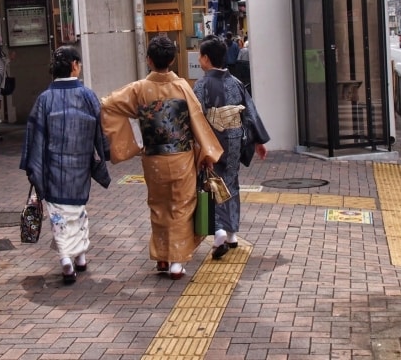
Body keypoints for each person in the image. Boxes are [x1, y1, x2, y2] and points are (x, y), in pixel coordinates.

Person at [101, 35, 223, 280]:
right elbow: (196, 119)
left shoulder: (139, 89)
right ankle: (176, 262)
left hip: (153, 157)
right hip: (181, 156)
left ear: (149, 60)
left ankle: (162, 257)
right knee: (181, 206)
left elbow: (108, 104)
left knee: (158, 206)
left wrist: (131, 144)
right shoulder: (181, 87)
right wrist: (208, 151)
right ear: (173, 60)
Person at [19, 46, 111, 285]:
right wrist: (106, 154)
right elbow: (102, 132)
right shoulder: (87, 95)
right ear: (75, 66)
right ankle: (76, 257)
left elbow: (34, 135)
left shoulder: (45, 99)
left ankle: (68, 259)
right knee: (78, 211)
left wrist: (34, 167)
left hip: (52, 168)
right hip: (79, 167)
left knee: (59, 216)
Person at [193, 34, 269, 260]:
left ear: (206, 59)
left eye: (200, 55)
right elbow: (250, 112)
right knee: (231, 183)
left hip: (212, 142)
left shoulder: (201, 85)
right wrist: (258, 141)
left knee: (208, 184)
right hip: (235, 140)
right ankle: (232, 234)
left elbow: (196, 117)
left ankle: (216, 231)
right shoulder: (235, 83)